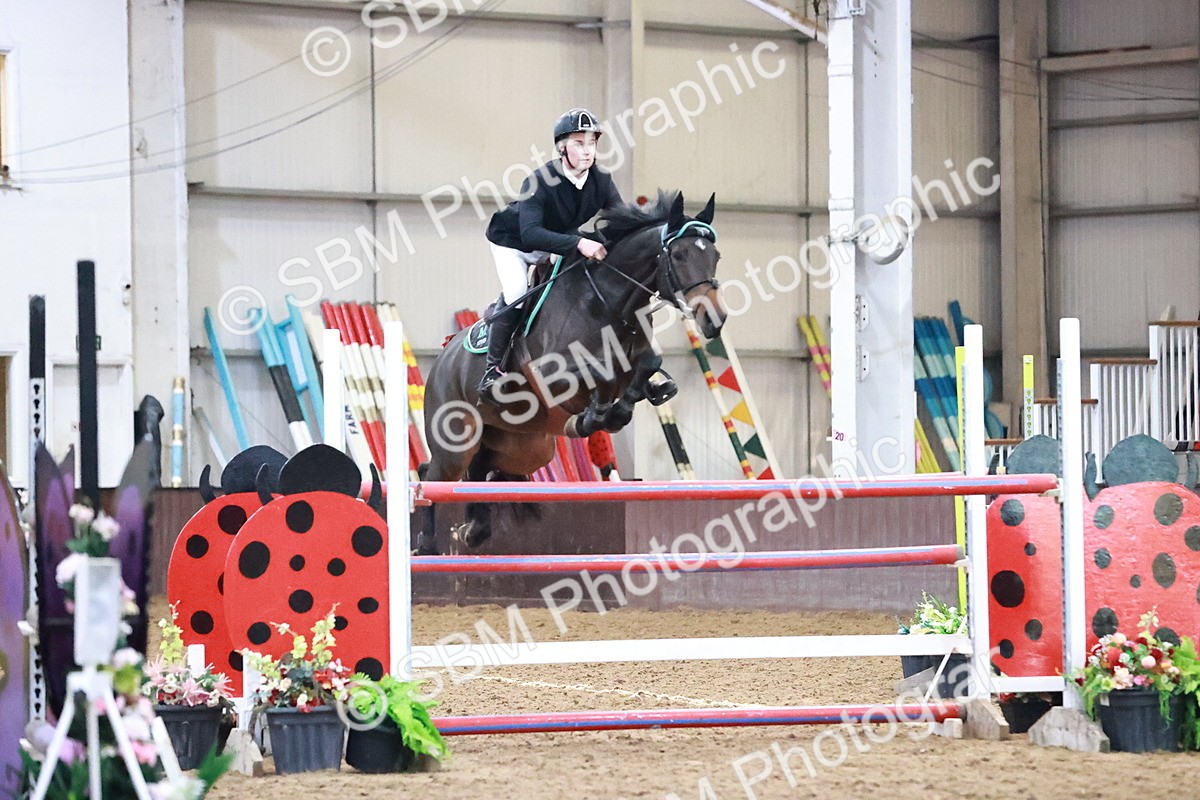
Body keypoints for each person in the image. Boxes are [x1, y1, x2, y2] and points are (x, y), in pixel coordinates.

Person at [480, 108, 624, 403]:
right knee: (519, 291)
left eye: (592, 143)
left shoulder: (601, 181)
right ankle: (492, 369)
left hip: (556, 242)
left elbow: (623, 220)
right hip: (515, 244)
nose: (587, 151)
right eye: (579, 144)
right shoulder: (540, 181)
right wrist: (580, 244)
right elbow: (531, 234)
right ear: (562, 148)